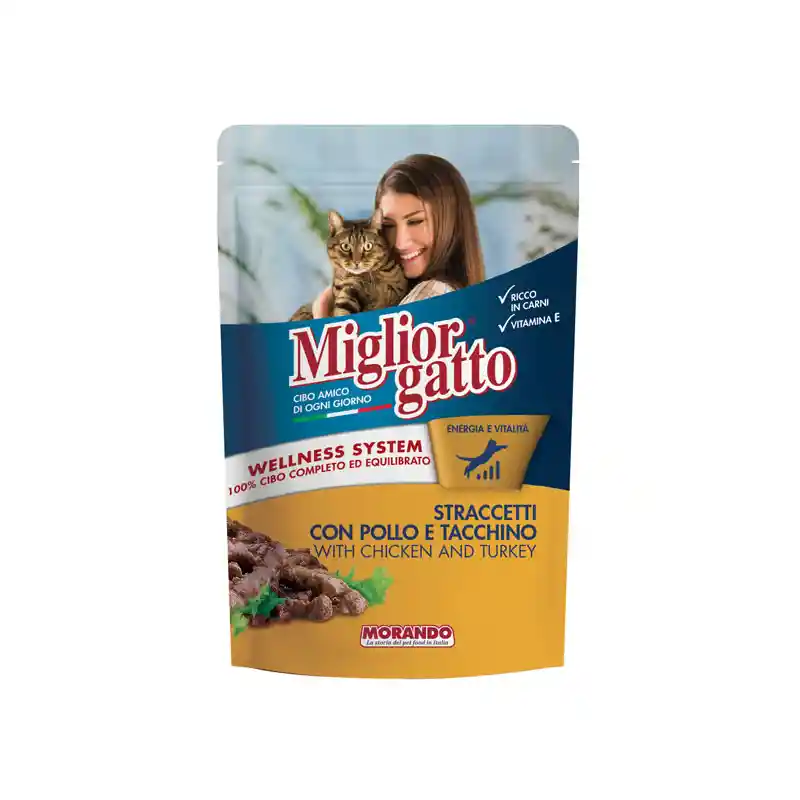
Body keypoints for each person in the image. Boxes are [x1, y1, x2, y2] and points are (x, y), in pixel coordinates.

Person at [312, 154, 485, 317]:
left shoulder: (431, 295)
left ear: (451, 222)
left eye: (415, 221)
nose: (400, 243)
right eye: (388, 225)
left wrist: (322, 314)